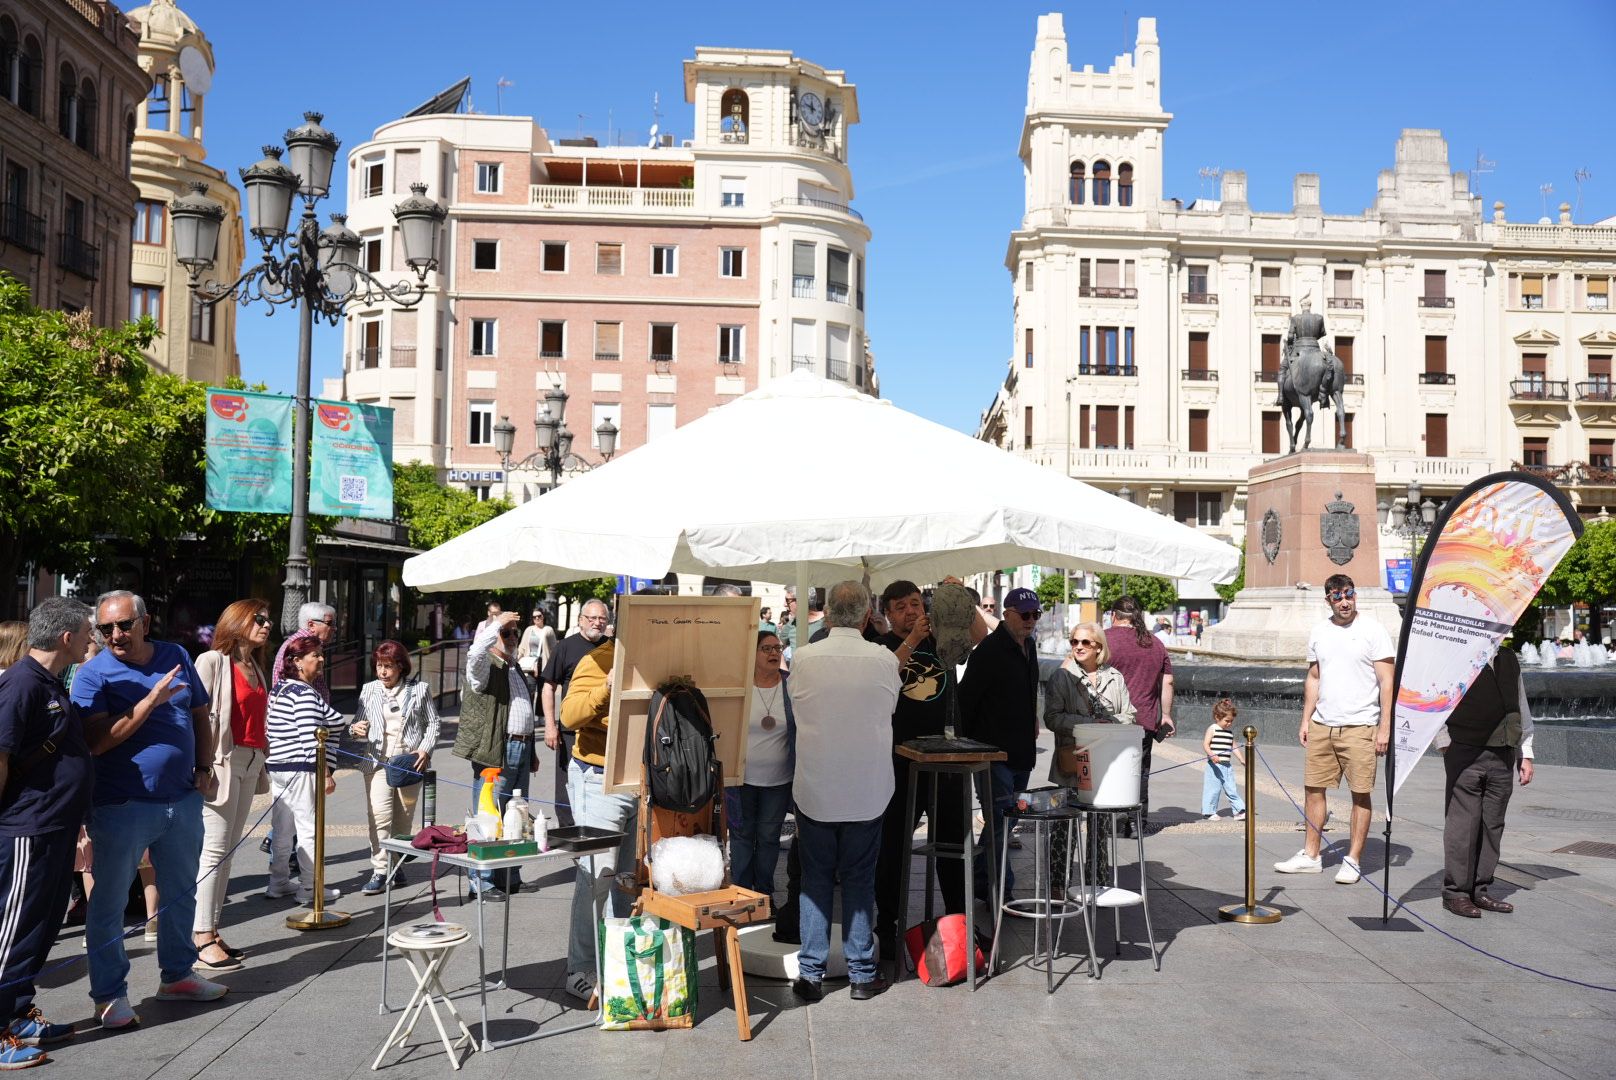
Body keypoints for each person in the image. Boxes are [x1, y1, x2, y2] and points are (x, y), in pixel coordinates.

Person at [72, 590, 226, 1029]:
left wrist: (204, 765)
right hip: (122, 804)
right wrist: (149, 702)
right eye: (105, 629)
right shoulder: (92, 674)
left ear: (145, 622)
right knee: (110, 902)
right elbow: (98, 742)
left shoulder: (175, 653)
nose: (115, 635)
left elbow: (199, 713)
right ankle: (108, 995)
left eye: (123, 625)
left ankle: (177, 975)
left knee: (181, 893)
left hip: (181, 798)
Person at [788, 581, 899, 1003]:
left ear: (828, 615)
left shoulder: (804, 658)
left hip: (816, 785)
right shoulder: (884, 659)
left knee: (814, 880)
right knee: (859, 880)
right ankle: (861, 973)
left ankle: (811, 974)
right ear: (868, 616)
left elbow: (798, 707)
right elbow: (889, 709)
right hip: (867, 788)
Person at [0, 597, 95, 1066]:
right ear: (66, 638)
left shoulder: (49, 682)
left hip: (54, 825)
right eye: (86, 632)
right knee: (11, 931)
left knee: (39, 929)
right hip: (27, 828)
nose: (90, 639)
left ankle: (17, 1014)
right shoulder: (21, 683)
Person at [1274, 574, 1394, 884]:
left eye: (1349, 595)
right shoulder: (1319, 632)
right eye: (1338, 596)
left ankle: (1352, 859)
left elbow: (1387, 681)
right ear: (1327, 599)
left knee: (1360, 794)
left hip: (1360, 725)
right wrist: (1305, 719)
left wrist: (1385, 727)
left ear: (1356, 596)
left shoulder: (1373, 630)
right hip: (1322, 725)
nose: (1344, 601)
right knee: (1313, 790)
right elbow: (1314, 677)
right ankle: (1311, 855)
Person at [873, 580, 966, 963]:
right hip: (898, 760)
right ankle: (888, 926)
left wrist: (956, 598)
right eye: (901, 606)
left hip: (945, 761)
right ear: (888, 614)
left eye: (915, 603)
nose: (911, 611)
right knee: (893, 847)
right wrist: (911, 636)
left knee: (953, 844)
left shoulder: (940, 638)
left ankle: (961, 923)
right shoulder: (879, 648)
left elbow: (977, 637)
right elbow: (887, 675)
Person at [190, 599, 273, 974]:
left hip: (250, 761)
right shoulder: (212, 662)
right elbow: (192, 715)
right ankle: (200, 935)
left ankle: (213, 929)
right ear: (237, 622)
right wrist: (200, 765)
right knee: (214, 850)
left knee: (228, 852)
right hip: (221, 762)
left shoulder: (255, 665)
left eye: (268, 619)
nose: (267, 624)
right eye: (259, 618)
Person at [558, 632, 635, 1003]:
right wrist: (607, 685)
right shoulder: (597, 660)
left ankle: (621, 958)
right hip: (599, 779)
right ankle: (582, 968)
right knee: (596, 876)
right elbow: (569, 716)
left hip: (644, 781)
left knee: (629, 879)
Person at [1435, 645, 1534, 918]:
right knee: (1463, 825)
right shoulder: (1455, 655)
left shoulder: (1509, 657)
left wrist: (1526, 752)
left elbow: (1520, 705)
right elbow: (1436, 697)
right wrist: (1444, 743)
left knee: (1492, 824)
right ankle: (1456, 893)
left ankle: (1480, 890)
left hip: (1504, 751)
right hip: (1465, 750)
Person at [959, 587, 1042, 901]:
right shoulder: (989, 651)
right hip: (994, 753)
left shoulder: (1030, 647)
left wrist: (1032, 718)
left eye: (1035, 614)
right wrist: (971, 749)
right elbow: (966, 700)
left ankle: (981, 880)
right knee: (999, 822)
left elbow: (1029, 690)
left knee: (1006, 823)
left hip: (1021, 750)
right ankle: (1000, 892)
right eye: (1025, 615)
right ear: (1007, 614)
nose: (1030, 620)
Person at [1044, 621, 1133, 890]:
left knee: (1100, 827)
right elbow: (1051, 717)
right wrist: (1089, 724)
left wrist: (1110, 724)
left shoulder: (1114, 677)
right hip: (1071, 761)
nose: (1079, 647)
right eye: (1074, 642)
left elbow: (1129, 714)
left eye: (1085, 642)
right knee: (1064, 826)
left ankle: (1098, 883)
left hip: (1106, 765)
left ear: (1099, 647)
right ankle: (1058, 885)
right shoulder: (1063, 677)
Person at [454, 611, 536, 900]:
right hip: (497, 750)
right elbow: (475, 651)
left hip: (522, 748)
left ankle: (510, 875)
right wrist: (496, 624)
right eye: (507, 633)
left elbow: (522, 709)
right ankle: (483, 881)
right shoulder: (483, 664)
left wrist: (532, 750)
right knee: (488, 816)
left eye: (516, 632)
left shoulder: (512, 666)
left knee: (517, 815)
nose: (513, 638)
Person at [352, 639, 439, 896]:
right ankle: (380, 870)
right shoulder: (368, 690)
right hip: (377, 761)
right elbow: (356, 724)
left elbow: (433, 724)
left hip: (409, 761)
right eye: (379, 666)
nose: (383, 672)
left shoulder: (419, 689)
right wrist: (355, 730)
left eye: (388, 666)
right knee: (379, 816)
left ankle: (396, 862)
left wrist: (425, 748)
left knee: (403, 817)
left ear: (401, 666)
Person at [264, 636, 346, 905]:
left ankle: (278, 882)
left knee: (282, 828)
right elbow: (312, 738)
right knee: (309, 828)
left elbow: (330, 717)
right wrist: (326, 774)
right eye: (315, 655)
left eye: (321, 654)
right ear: (297, 662)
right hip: (301, 768)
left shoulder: (281, 689)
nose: (321, 659)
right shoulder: (305, 694)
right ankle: (310, 888)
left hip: (277, 766)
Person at [731, 632, 794, 902]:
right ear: (752, 653)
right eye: (766, 648)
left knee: (769, 838)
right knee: (742, 837)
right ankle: (743, 895)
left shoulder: (791, 687)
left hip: (778, 781)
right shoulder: (740, 686)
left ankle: (765, 895)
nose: (774, 653)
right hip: (742, 779)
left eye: (777, 648)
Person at [1105, 595, 1176, 833]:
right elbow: (1168, 681)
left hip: (1107, 720)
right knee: (1140, 773)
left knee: (1107, 770)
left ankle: (1108, 821)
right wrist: (1165, 714)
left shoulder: (1103, 639)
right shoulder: (1155, 643)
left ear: (1114, 615)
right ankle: (1136, 824)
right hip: (1143, 720)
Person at [541, 599, 611, 829]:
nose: (597, 623)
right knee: (567, 788)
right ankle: (569, 833)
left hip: (601, 733)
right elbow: (548, 687)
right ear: (581, 620)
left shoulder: (612, 648)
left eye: (602, 619)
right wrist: (551, 726)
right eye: (592, 618)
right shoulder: (565, 647)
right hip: (571, 729)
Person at [271, 602, 335, 699]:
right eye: (330, 623)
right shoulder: (301, 646)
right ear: (311, 625)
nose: (334, 628)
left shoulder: (306, 644)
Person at [1201, 698, 1247, 820]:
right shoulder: (1213, 728)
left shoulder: (1229, 733)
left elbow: (1233, 746)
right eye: (1227, 721)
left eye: (1231, 721)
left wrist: (1241, 759)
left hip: (1227, 766)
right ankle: (1209, 812)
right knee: (1213, 788)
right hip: (1214, 765)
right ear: (1217, 717)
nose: (1229, 724)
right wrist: (1212, 754)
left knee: (1231, 788)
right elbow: (1205, 744)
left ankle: (1239, 811)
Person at [517, 608, 556, 678]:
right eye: (534, 617)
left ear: (543, 616)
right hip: (530, 665)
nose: (537, 618)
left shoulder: (549, 630)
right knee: (530, 687)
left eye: (539, 616)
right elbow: (522, 648)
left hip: (543, 665)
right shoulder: (528, 630)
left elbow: (554, 649)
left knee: (542, 688)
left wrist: (553, 666)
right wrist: (516, 660)